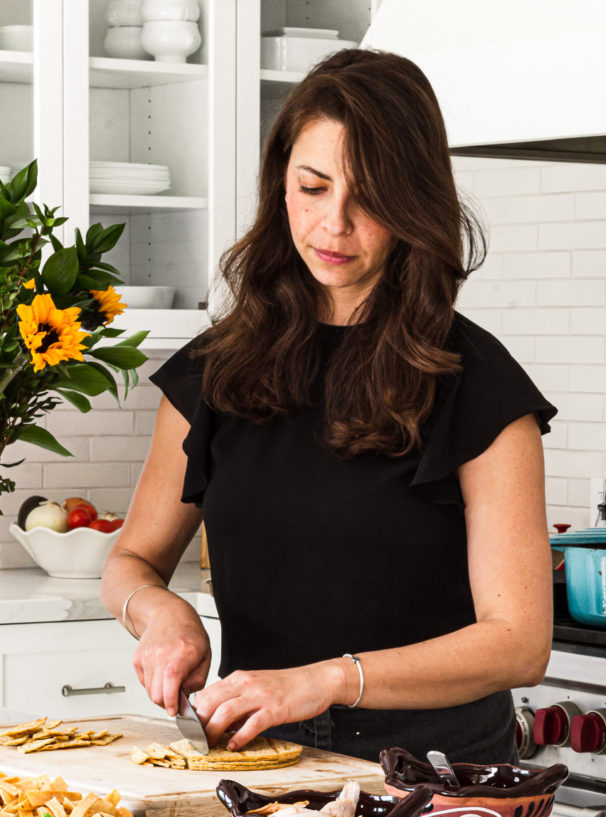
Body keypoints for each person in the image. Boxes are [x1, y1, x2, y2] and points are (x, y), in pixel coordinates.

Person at [100, 48, 557, 766]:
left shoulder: (478, 383)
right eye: (312, 187)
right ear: (280, 182)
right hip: (256, 761)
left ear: (415, 207)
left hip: (437, 775)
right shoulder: (212, 371)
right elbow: (131, 559)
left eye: (370, 200)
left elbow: (520, 642)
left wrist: (328, 681)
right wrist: (162, 614)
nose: (333, 225)